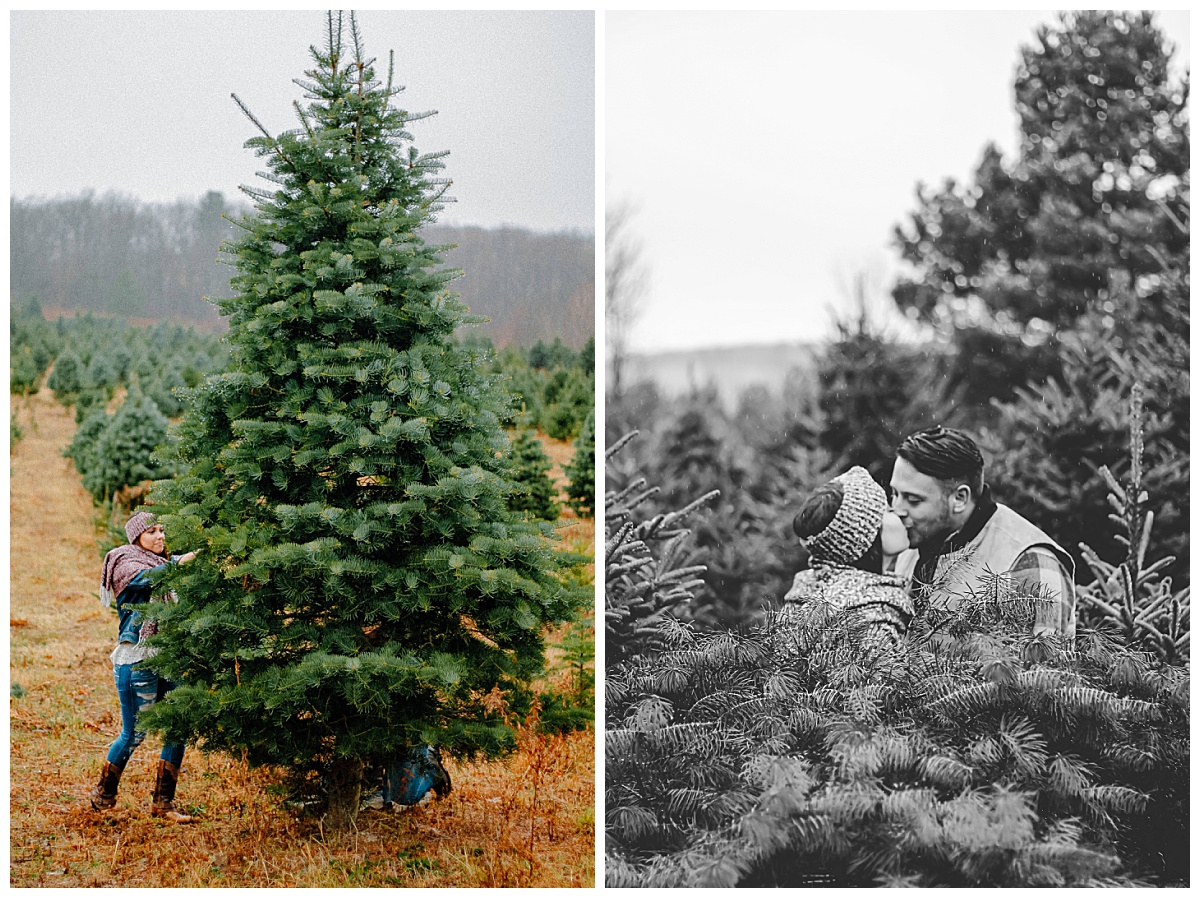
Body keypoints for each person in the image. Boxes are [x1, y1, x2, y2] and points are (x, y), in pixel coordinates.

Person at [889, 425, 1076, 637]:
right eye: (894, 494)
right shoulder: (911, 538)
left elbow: (1043, 668)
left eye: (913, 500)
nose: (897, 509)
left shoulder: (1030, 561)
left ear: (959, 498)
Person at [88, 510, 197, 823]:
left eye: (162, 530)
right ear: (137, 537)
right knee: (135, 732)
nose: (160, 536)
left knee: (179, 724)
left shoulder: (160, 563)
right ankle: (103, 795)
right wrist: (180, 562)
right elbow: (145, 581)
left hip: (166, 656)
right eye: (152, 532)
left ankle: (164, 804)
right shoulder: (126, 562)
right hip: (138, 661)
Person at [781, 466, 914, 652]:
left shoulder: (808, 591)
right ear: (865, 538)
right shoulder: (870, 619)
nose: (900, 512)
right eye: (889, 510)